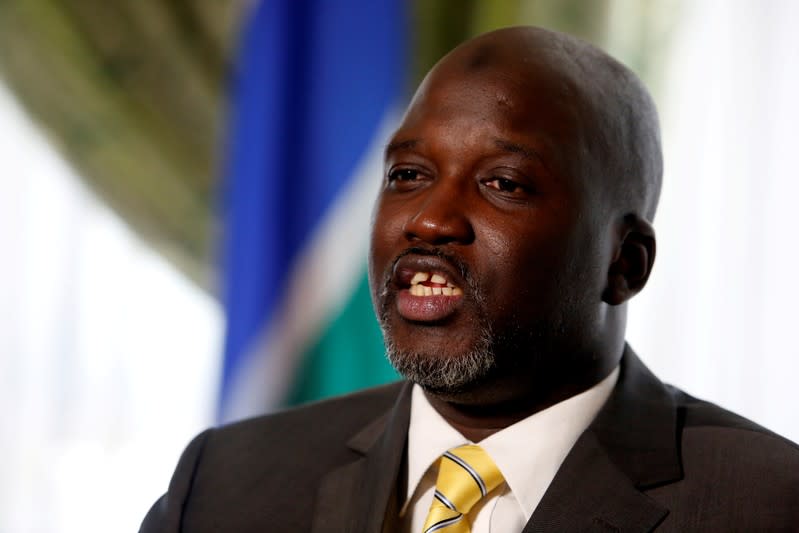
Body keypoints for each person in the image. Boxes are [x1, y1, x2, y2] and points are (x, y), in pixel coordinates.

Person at [140, 26, 799, 532]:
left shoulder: (767, 504)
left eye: (502, 183)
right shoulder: (226, 482)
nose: (427, 220)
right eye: (407, 175)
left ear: (623, 263)